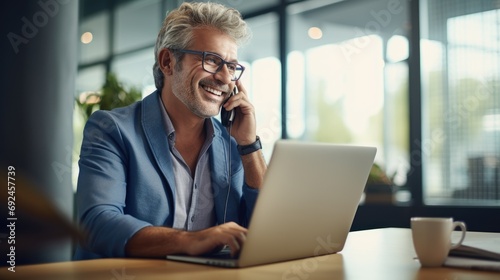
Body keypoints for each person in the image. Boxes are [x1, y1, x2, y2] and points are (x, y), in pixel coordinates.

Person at [74, 2, 267, 260]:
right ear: (167, 62)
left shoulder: (232, 143)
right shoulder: (112, 130)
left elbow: (266, 229)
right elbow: (97, 223)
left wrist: (249, 145)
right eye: (211, 60)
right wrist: (193, 240)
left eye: (232, 67)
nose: (224, 78)